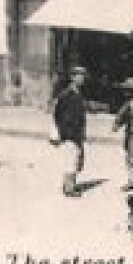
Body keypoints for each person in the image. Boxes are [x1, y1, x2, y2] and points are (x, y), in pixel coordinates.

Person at [51, 65, 89, 197]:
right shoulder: (67, 95)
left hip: (75, 133)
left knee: (76, 159)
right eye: (80, 76)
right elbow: (58, 114)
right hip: (70, 134)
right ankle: (69, 188)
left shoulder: (77, 93)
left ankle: (69, 185)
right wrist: (66, 131)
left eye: (83, 76)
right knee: (71, 160)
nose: (83, 79)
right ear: (72, 78)